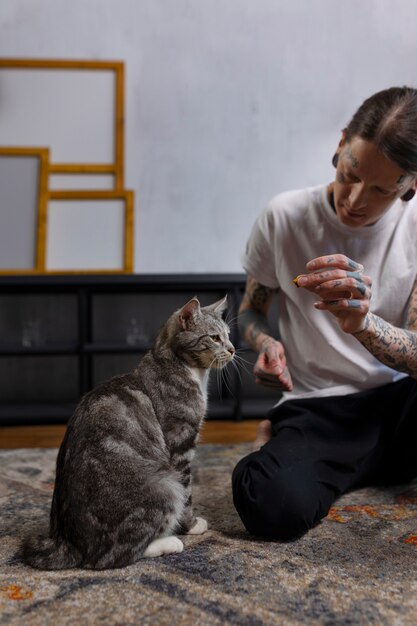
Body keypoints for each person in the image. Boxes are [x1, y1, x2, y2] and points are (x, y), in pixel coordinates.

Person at [232, 86, 417, 540]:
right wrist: (266, 343)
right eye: (351, 173)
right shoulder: (283, 217)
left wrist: (362, 324)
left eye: (380, 190)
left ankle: (348, 469)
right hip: (319, 409)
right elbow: (251, 312)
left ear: (411, 185)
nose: (355, 199)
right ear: (340, 145)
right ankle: (317, 457)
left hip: (399, 409)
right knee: (270, 505)